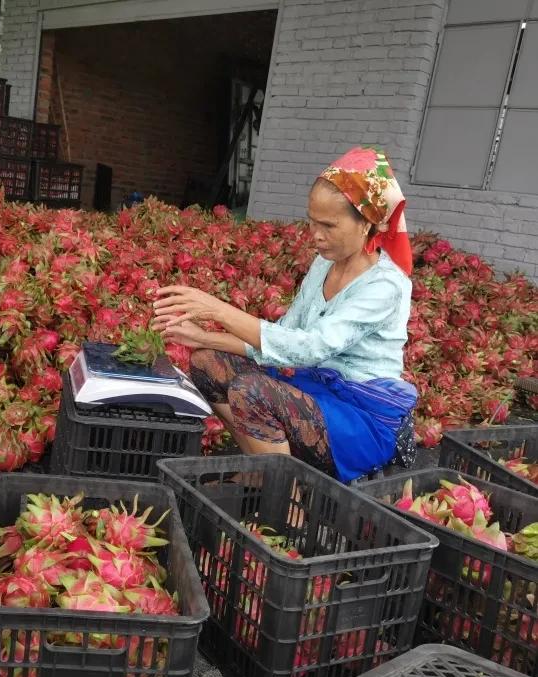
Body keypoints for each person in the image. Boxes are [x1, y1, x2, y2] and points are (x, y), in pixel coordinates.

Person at [152, 146, 418, 484]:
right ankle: (261, 475)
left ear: (366, 223)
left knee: (252, 390)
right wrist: (203, 337)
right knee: (208, 362)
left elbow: (308, 349)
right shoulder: (324, 265)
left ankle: (285, 499)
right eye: (311, 221)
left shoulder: (386, 285)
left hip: (363, 417)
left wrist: (217, 308)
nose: (316, 236)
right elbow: (283, 338)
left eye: (328, 225)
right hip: (316, 393)